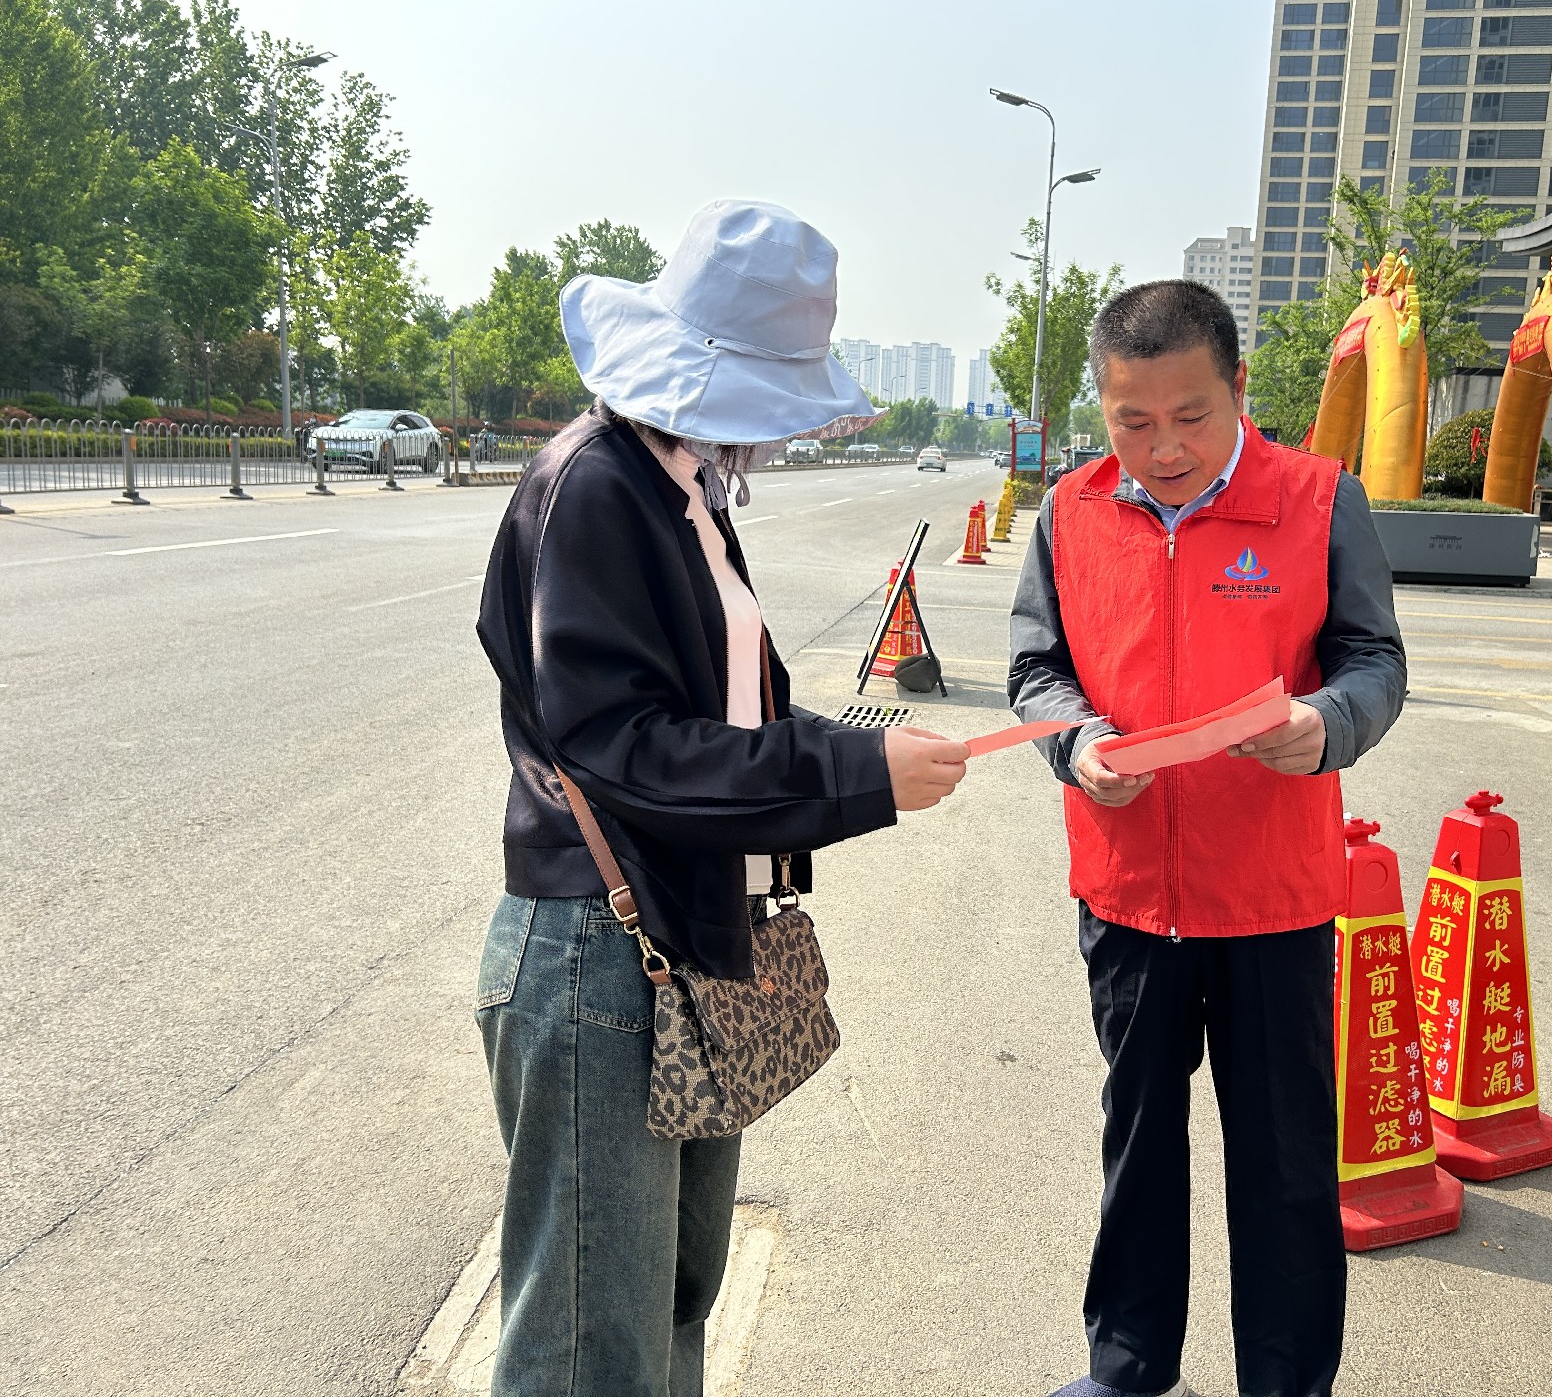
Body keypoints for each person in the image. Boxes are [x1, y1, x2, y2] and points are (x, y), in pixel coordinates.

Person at [474, 199, 971, 1397]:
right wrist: (855, 774)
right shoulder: (599, 488)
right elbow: (627, 750)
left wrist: (863, 757)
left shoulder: (677, 488)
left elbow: (727, 723)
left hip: (671, 936)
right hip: (601, 950)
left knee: (669, 1303)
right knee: (591, 1343)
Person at [1008, 280, 1407, 1397]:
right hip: (1129, 890)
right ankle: (1130, 1363)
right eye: (1132, 422)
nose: (1164, 449)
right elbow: (1038, 668)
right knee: (1139, 1139)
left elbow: (1375, 658)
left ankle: (1286, 1382)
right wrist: (1077, 742)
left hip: (1273, 896)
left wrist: (1326, 723)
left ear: (1237, 388)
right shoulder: (1071, 512)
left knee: (1284, 1160)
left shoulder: (1318, 499)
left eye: (1191, 416)